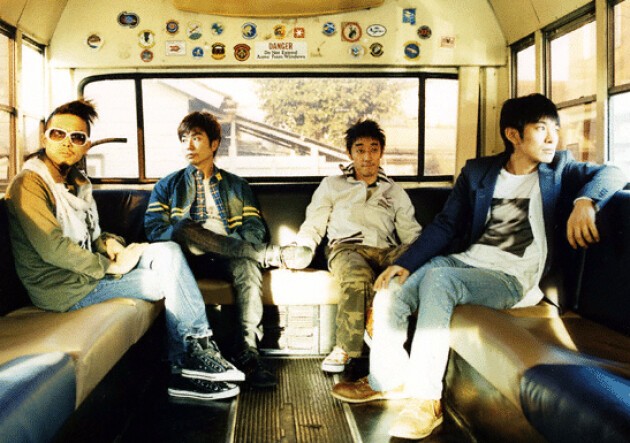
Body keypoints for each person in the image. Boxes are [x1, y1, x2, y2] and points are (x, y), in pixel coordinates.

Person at [331, 94, 627, 440]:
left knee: (440, 281)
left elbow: (614, 172)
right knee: (390, 287)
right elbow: (446, 224)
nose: (552, 139)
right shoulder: (479, 173)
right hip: (466, 262)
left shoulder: (560, 168)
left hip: (512, 278)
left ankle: (427, 400)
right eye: (541, 129)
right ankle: (387, 381)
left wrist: (585, 201)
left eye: (555, 130)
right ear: (513, 135)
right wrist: (405, 263)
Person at [5, 100, 244, 402]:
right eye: (58, 134)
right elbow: (53, 248)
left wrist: (110, 243)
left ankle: (192, 355)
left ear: (86, 145)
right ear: (44, 137)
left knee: (169, 251)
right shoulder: (29, 184)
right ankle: (187, 361)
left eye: (77, 137)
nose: (67, 143)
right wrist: (111, 266)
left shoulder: (75, 182)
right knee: (171, 280)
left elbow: (89, 233)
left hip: (86, 275)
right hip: (63, 288)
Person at [144, 111, 310, 388]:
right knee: (183, 228)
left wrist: (236, 245)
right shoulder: (168, 185)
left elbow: (254, 227)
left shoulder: (237, 186)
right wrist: (184, 234)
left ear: (214, 144)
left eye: (196, 138)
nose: (188, 145)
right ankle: (270, 255)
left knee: (247, 266)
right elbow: (154, 230)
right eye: (184, 139)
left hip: (229, 256)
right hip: (185, 257)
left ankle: (248, 353)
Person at [289, 119, 422, 373]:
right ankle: (345, 348)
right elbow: (313, 224)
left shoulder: (394, 191)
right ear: (350, 153)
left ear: (381, 153)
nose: (367, 157)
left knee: (413, 262)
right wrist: (302, 249)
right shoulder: (332, 185)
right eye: (360, 150)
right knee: (357, 274)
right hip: (347, 249)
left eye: (373, 149)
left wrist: (424, 254)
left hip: (385, 250)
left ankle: (395, 341)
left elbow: (411, 233)